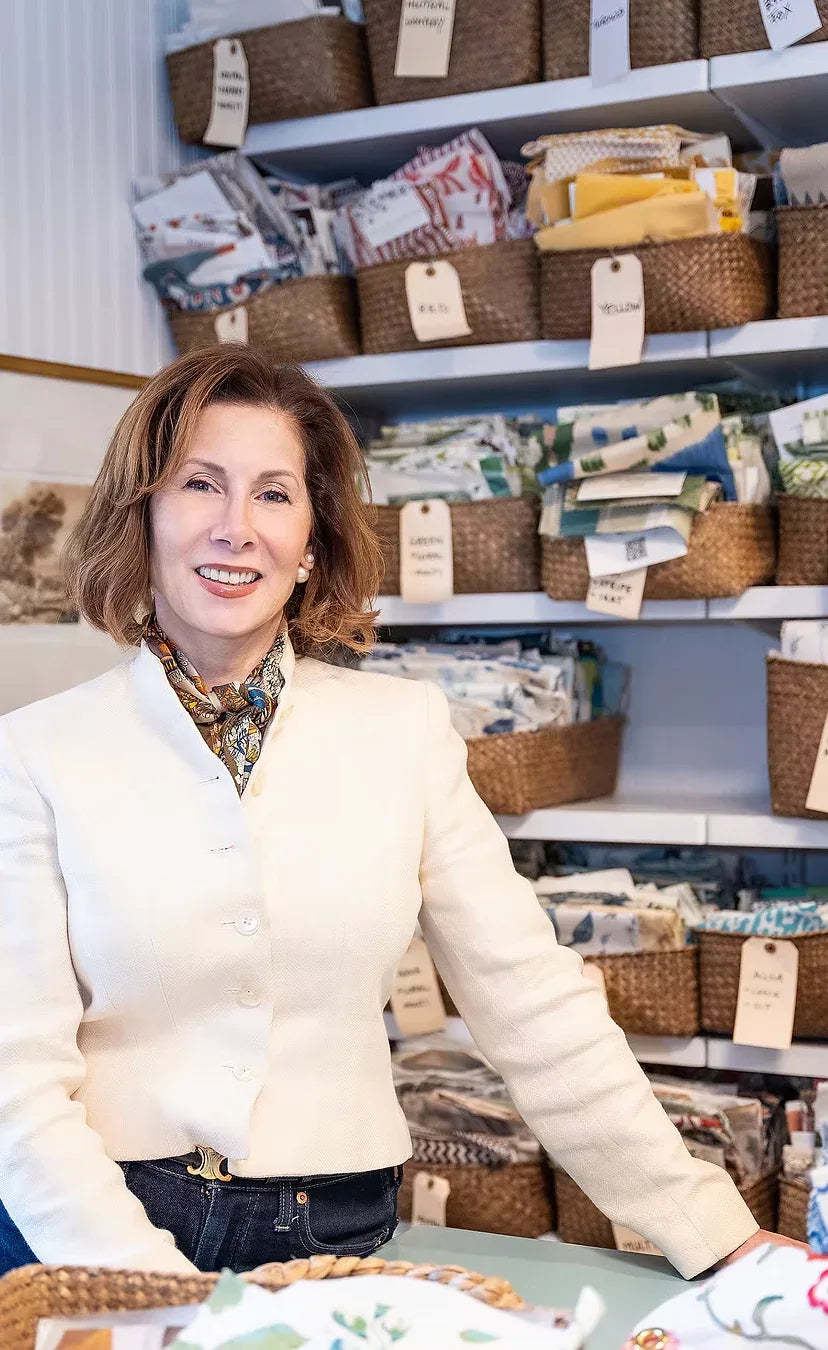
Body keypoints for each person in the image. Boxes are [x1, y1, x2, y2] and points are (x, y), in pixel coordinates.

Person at [0, 347, 797, 1279]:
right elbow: (15, 1074)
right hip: (87, 1225)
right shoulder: (37, 752)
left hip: (328, 1230)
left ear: (312, 541)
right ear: (142, 516)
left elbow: (531, 1002)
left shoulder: (401, 732)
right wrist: (144, 1294)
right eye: (198, 485)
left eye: (273, 494)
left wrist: (714, 1229)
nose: (234, 528)